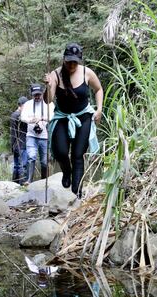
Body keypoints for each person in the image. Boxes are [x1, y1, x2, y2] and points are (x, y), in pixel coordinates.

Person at [45, 43, 103, 198]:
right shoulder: (56, 74)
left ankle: (77, 192)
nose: (71, 65)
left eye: (75, 61)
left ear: (79, 60)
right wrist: (49, 86)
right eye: (69, 61)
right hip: (62, 117)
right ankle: (66, 172)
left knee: (78, 154)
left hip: (83, 117)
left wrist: (99, 109)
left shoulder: (87, 72)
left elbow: (98, 89)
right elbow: (48, 100)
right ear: (64, 59)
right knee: (61, 152)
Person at [19, 84, 54, 184]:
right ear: (32, 95)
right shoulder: (28, 104)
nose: (37, 97)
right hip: (31, 135)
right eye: (35, 95)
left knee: (44, 161)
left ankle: (43, 181)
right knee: (32, 156)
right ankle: (29, 180)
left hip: (44, 136)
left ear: (43, 93)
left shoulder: (49, 104)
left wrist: (42, 118)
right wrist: (30, 120)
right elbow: (22, 117)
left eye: (39, 94)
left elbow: (53, 117)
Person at [10, 96, 28, 183]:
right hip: (22, 144)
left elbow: (12, 133)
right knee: (22, 165)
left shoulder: (13, 115)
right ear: (21, 105)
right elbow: (14, 132)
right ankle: (22, 184)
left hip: (16, 144)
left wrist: (12, 145)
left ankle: (14, 184)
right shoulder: (19, 116)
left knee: (16, 165)